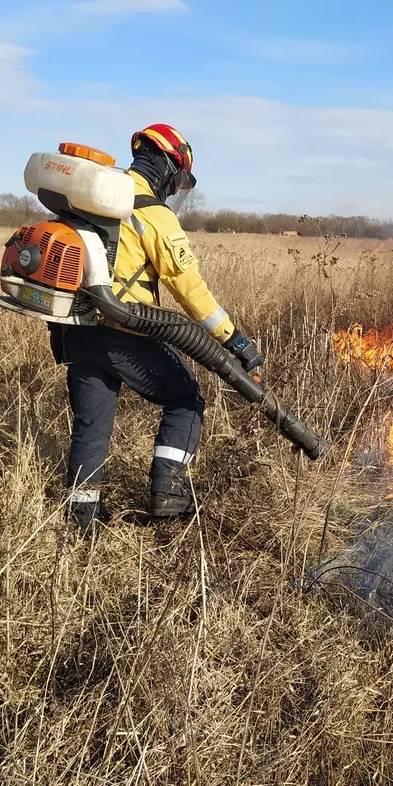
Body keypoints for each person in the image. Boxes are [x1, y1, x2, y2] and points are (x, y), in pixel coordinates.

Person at [49, 124, 262, 528]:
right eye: (179, 178)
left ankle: (82, 515)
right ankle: (169, 493)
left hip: (76, 331)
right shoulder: (150, 212)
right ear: (168, 167)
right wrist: (234, 340)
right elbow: (189, 288)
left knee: (92, 423)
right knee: (186, 398)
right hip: (124, 331)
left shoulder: (91, 198)